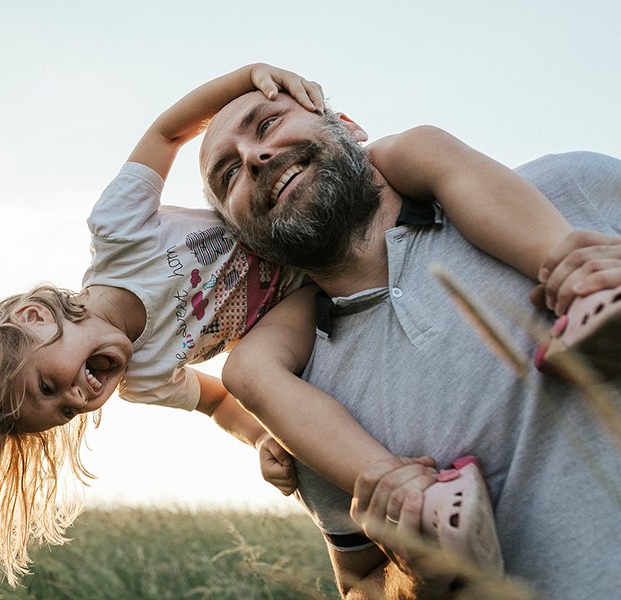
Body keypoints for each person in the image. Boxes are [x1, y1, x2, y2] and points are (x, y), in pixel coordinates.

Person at [0, 64, 588, 599]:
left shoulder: (119, 232)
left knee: (420, 147)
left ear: (36, 317)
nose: (78, 395)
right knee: (250, 374)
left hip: (307, 256)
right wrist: (269, 442)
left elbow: (168, 132)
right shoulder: (145, 380)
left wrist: (248, 75)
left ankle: (580, 277)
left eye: (52, 382)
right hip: (297, 293)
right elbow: (224, 400)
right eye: (64, 410)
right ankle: (413, 501)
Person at [202, 88, 621, 599]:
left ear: (350, 126)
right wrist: (416, 576)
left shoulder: (571, 188)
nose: (254, 157)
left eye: (267, 124)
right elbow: (360, 588)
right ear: (245, 237)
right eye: (228, 176)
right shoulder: (302, 410)